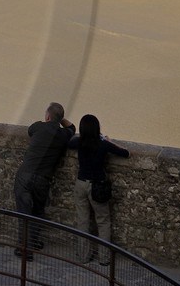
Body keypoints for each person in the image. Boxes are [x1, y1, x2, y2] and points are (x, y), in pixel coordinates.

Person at [11, 102, 75, 259]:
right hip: (42, 179)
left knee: (24, 213)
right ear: (59, 119)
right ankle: (31, 243)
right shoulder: (63, 135)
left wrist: (53, 119)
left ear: (47, 116)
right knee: (37, 212)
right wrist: (60, 120)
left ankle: (24, 248)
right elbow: (72, 128)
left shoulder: (39, 126)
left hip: (25, 176)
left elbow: (29, 130)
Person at [73, 113, 129, 262]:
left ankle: (84, 256)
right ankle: (104, 258)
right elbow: (125, 153)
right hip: (97, 185)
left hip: (81, 183)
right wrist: (111, 141)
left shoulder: (78, 142)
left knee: (82, 221)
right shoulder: (103, 144)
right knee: (103, 221)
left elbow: (66, 141)